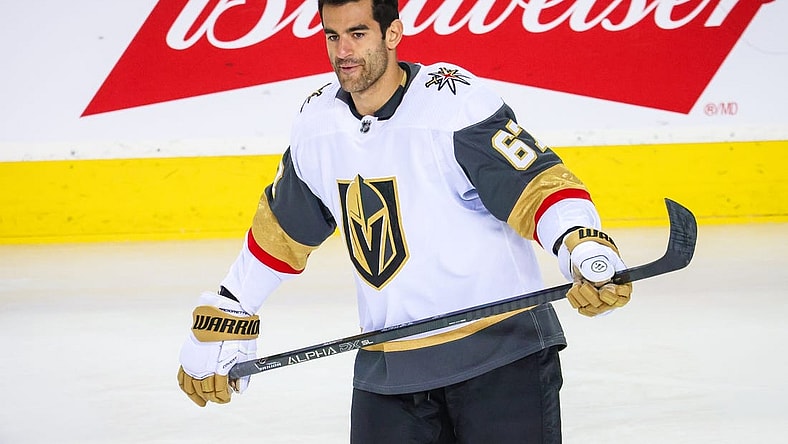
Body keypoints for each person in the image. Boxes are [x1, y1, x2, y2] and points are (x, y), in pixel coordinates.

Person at [177, 0, 632, 442]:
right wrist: (230, 308)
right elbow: (282, 232)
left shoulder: (453, 104)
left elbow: (536, 186)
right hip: (389, 369)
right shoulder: (318, 124)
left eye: (358, 34)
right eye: (332, 36)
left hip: (501, 357)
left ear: (392, 33)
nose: (343, 51)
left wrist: (582, 243)